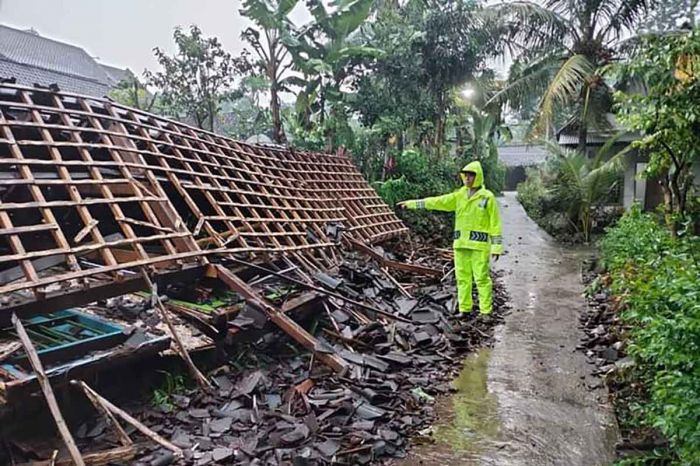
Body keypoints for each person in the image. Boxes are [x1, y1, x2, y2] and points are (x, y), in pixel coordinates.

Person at [398, 161, 503, 316]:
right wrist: (411, 204)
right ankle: (465, 309)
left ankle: (485, 312)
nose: (467, 179)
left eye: (471, 176)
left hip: (479, 245)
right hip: (461, 244)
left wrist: (496, 247)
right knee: (462, 279)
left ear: (478, 177)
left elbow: (495, 223)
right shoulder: (459, 196)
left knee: (481, 279)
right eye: (465, 176)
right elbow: (437, 201)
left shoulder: (487, 198)